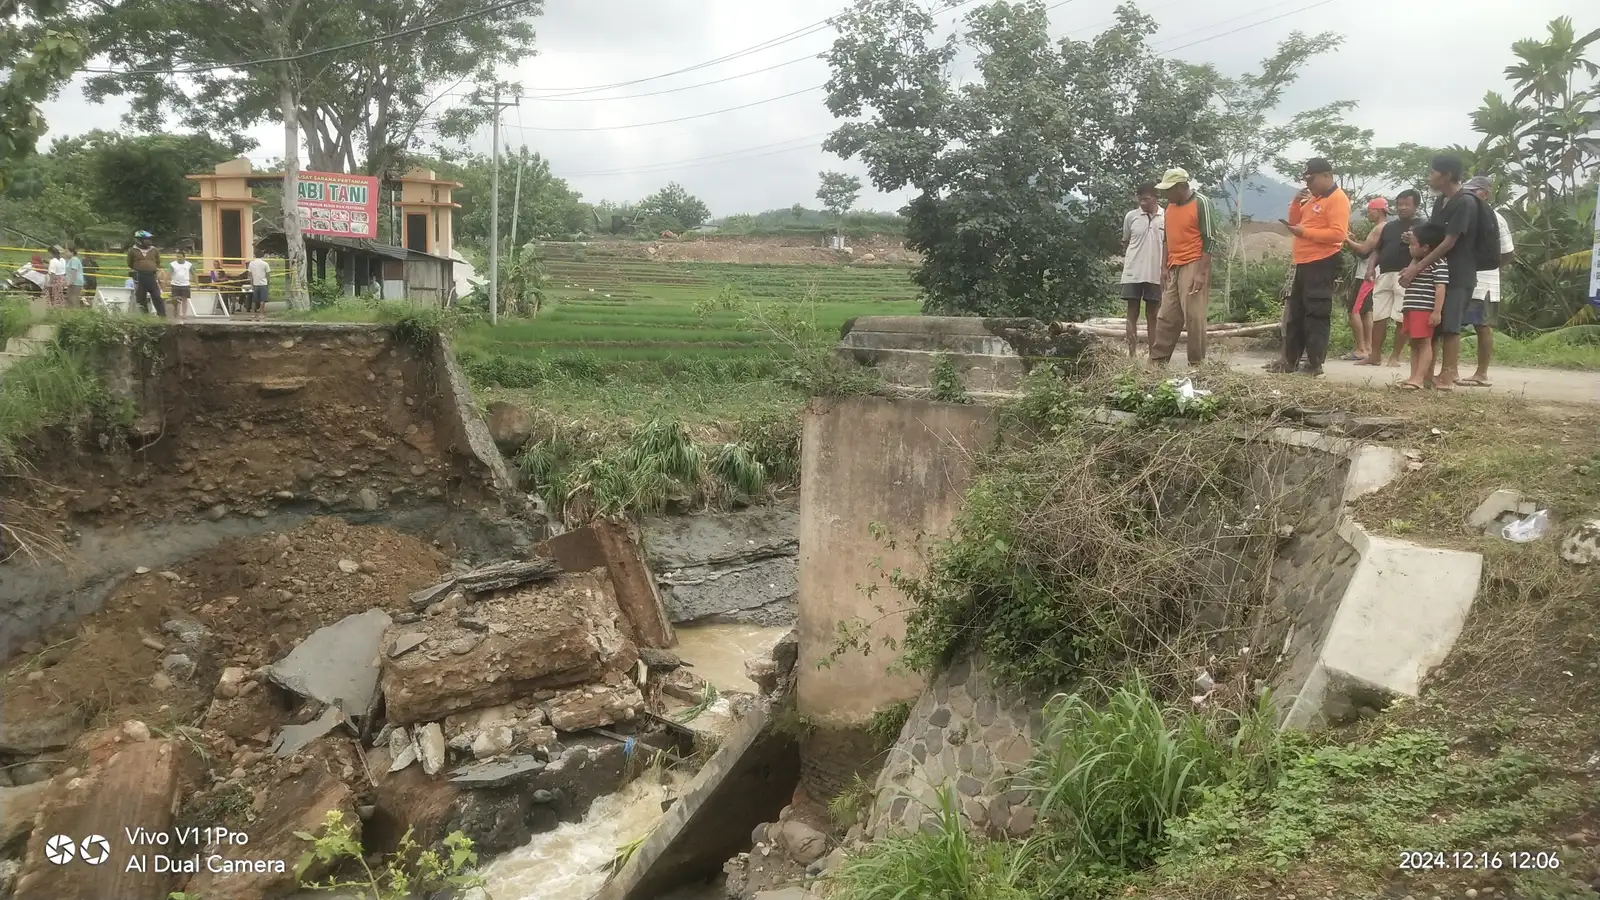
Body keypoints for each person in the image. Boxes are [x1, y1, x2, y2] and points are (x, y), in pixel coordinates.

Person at [1401, 155, 1477, 391]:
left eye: (1433, 172)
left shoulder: (1465, 202)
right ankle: (1426, 375)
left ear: (1446, 175)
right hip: (1437, 268)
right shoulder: (1441, 201)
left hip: (1457, 272)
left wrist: (1417, 268)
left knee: (1451, 326)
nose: (1429, 176)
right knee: (1431, 329)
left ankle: (1448, 374)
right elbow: (1434, 238)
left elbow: (1448, 243)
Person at [1272, 157, 1351, 376]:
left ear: (1327, 175)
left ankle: (1314, 364)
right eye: (1306, 179)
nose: (1308, 184)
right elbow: (1296, 221)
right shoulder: (1313, 198)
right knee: (1295, 313)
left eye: (1312, 179)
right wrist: (1296, 202)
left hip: (1322, 261)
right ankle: (1290, 361)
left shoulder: (1337, 199)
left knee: (1316, 313)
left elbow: (1338, 234)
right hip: (1302, 262)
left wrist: (1304, 233)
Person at [1147, 167, 1218, 367]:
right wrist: (1163, 267)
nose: (1165, 194)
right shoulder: (1170, 208)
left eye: (1169, 189)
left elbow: (1210, 240)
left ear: (1181, 186)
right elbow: (1167, 239)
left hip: (1194, 263)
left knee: (1194, 317)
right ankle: (1156, 363)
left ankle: (1197, 364)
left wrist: (1202, 273)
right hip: (1174, 265)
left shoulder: (1201, 203)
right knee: (1166, 316)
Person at [1459, 175, 1514, 387]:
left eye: (1475, 192)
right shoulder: (1464, 215)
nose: (1471, 196)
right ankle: (1451, 371)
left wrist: (1489, 266)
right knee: (1452, 325)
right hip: (1462, 279)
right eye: (1468, 192)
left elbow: (1508, 253)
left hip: (1485, 283)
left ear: (1485, 193)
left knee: (1482, 326)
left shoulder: (1495, 218)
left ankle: (1481, 373)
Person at [1361, 190, 1422, 368]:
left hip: (1406, 276)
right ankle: (1375, 356)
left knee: (1401, 318)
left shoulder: (1423, 226)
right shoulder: (1389, 226)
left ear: (1415, 206)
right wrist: (1371, 268)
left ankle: (1395, 357)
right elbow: (1377, 250)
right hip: (1385, 274)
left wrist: (1413, 242)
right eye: (1399, 204)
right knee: (1379, 316)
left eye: (1406, 204)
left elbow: (1427, 251)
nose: (1402, 208)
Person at [1396, 222, 1450, 391]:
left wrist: (1436, 311)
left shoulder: (1438, 263)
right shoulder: (1416, 263)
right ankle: (1413, 376)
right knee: (1413, 343)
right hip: (1411, 307)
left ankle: (1419, 378)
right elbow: (1405, 283)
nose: (1410, 248)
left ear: (1425, 247)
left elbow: (1440, 287)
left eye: (1413, 244)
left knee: (1424, 342)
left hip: (1424, 309)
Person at [1119, 182, 1165, 356]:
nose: (1143, 203)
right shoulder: (1131, 217)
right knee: (1132, 312)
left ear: (1156, 198)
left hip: (1155, 273)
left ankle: (1153, 356)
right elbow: (1126, 241)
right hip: (1133, 272)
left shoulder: (1166, 217)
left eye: (1146, 199)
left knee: (1153, 314)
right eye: (1140, 199)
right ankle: (1131, 355)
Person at [1342, 197, 1390, 364]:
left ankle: (1361, 349)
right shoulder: (1387, 227)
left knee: (1353, 310)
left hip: (1365, 275)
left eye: (1370, 210)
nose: (1368, 213)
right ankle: (1368, 347)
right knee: (1365, 311)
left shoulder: (1379, 228)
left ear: (1378, 211)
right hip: (1372, 275)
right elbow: (1369, 250)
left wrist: (1347, 240)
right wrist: (1355, 240)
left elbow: (1363, 251)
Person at [126, 230, 166, 317]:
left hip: (151, 275)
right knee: (141, 297)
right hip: (139, 276)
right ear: (139, 240)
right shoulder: (133, 250)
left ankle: (162, 316)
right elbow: (130, 263)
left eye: (149, 239)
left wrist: (154, 268)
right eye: (146, 239)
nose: (149, 241)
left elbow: (158, 261)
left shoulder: (154, 250)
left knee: (157, 296)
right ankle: (145, 316)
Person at [169, 249, 194, 320]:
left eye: (180, 257)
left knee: (185, 299)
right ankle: (175, 309)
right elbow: (169, 273)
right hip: (175, 283)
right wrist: (165, 282)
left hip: (185, 284)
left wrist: (197, 284)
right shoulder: (172, 264)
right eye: (177, 257)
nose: (178, 258)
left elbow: (194, 274)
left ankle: (184, 314)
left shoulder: (189, 264)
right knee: (174, 299)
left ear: (184, 257)